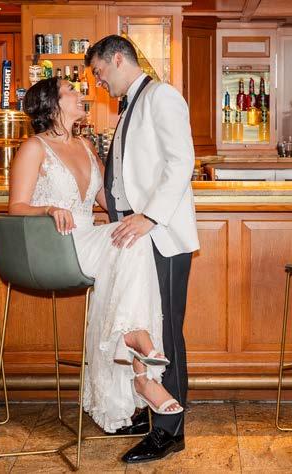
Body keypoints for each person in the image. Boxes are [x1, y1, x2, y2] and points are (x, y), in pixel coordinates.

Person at [8, 77, 185, 435]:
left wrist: (148, 210)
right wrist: (48, 210)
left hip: (87, 239)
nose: (81, 95)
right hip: (55, 243)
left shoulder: (86, 146)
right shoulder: (34, 147)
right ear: (52, 105)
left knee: (133, 236)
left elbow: (110, 201)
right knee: (130, 240)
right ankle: (141, 363)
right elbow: (16, 207)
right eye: (71, 91)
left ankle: (138, 362)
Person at [85, 35, 199, 463]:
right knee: (143, 327)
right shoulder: (130, 105)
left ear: (118, 59)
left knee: (165, 331)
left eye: (99, 72)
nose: (98, 82)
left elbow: (181, 161)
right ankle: (152, 414)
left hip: (159, 234)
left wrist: (149, 217)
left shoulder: (162, 96)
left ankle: (170, 431)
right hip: (134, 236)